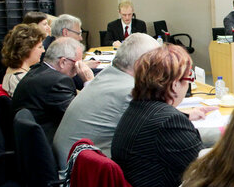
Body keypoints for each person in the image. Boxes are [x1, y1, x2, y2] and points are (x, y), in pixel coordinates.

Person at [111, 44, 208, 187]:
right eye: (188, 78)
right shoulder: (168, 122)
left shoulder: (139, 109)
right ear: (174, 83)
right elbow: (206, 176)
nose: (188, 85)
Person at [52, 33, 160, 167]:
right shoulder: (130, 91)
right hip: (79, 175)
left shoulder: (106, 74)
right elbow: (154, 134)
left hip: (69, 162)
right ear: (141, 64)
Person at [12, 37, 94, 144]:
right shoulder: (57, 81)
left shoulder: (39, 70)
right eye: (78, 63)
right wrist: (89, 82)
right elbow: (84, 117)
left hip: (28, 141)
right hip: (47, 143)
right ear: (63, 62)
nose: (80, 67)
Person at [0, 23, 46, 97]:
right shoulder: (20, 80)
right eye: (40, 47)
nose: (43, 50)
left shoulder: (14, 70)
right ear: (26, 50)